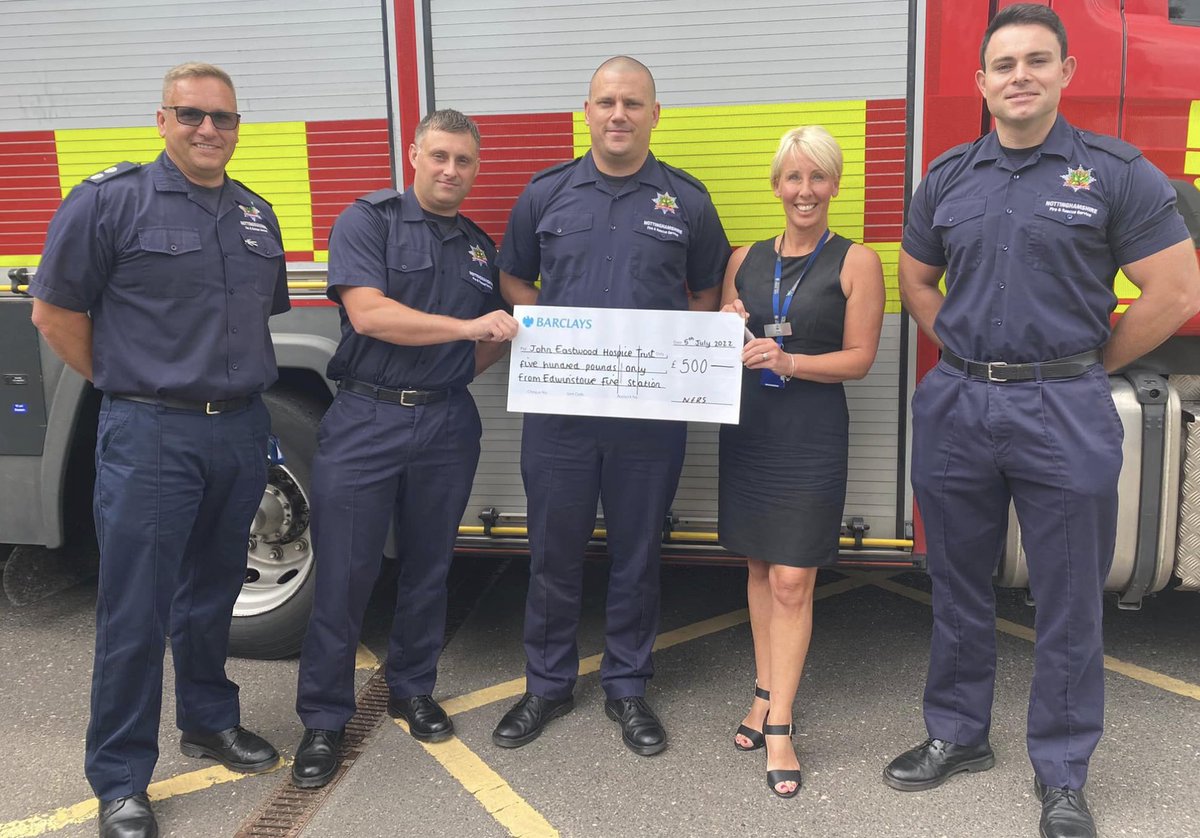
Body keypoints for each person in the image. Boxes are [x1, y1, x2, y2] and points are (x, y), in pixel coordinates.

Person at [883, 6, 1200, 837]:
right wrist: (963, 350)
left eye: (1036, 60)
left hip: (1063, 405)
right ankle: (958, 734)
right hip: (959, 402)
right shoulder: (949, 176)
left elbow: (1175, 291)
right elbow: (916, 280)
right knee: (956, 582)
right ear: (982, 81)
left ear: (1066, 72)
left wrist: (1090, 364)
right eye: (1004, 64)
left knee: (1067, 598)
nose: (1019, 76)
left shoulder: (1115, 173)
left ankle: (1061, 772)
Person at [28, 62, 288, 838]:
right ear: (162, 119)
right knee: (136, 610)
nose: (209, 129)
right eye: (191, 114)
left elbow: (254, 321)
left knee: (213, 592)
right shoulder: (110, 201)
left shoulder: (256, 215)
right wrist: (129, 385)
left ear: (238, 126)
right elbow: (53, 314)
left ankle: (208, 722)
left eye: (223, 117)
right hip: (152, 433)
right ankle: (120, 779)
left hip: (239, 429)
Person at [492, 56, 731, 756]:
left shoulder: (687, 200)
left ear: (655, 114)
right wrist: (556, 335)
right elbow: (513, 277)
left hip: (648, 418)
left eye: (632, 102)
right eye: (606, 102)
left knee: (637, 552)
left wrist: (663, 356)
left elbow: (707, 292)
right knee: (553, 551)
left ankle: (627, 686)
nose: (618, 114)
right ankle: (546, 685)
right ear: (587, 112)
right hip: (559, 412)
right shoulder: (547, 194)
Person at [290, 109, 517, 788]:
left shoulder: (478, 247)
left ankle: (413, 689)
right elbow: (369, 314)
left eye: (464, 161)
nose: (451, 170)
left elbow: (494, 338)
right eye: (439, 156)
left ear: (475, 169)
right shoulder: (369, 221)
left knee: (429, 568)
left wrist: (456, 366)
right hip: (367, 418)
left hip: (446, 421)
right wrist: (465, 329)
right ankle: (323, 720)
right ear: (414, 154)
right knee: (345, 576)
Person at [719, 126, 884, 797]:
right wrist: (726, 321)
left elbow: (861, 358)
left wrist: (790, 361)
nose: (805, 190)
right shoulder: (743, 258)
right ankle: (763, 692)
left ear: (835, 184)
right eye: (794, 176)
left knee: (793, 578)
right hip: (751, 429)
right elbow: (718, 337)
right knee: (760, 568)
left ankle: (781, 723)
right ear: (776, 185)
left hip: (811, 432)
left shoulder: (857, 261)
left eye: (817, 176)